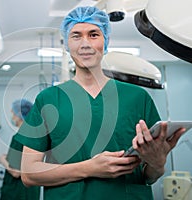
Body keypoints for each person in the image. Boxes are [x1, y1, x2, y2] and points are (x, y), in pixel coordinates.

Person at [14, 6, 186, 200]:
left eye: (94, 34)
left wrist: (158, 164)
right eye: (76, 36)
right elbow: (29, 173)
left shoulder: (138, 98)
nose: (85, 43)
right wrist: (89, 168)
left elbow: (149, 176)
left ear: (105, 41)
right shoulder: (48, 99)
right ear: (67, 44)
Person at [0, 99, 40, 200]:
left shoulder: (19, 138)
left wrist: (3, 160)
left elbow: (16, 172)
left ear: (19, 115)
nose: (12, 117)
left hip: (17, 192)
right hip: (31, 191)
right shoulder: (36, 136)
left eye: (13, 114)